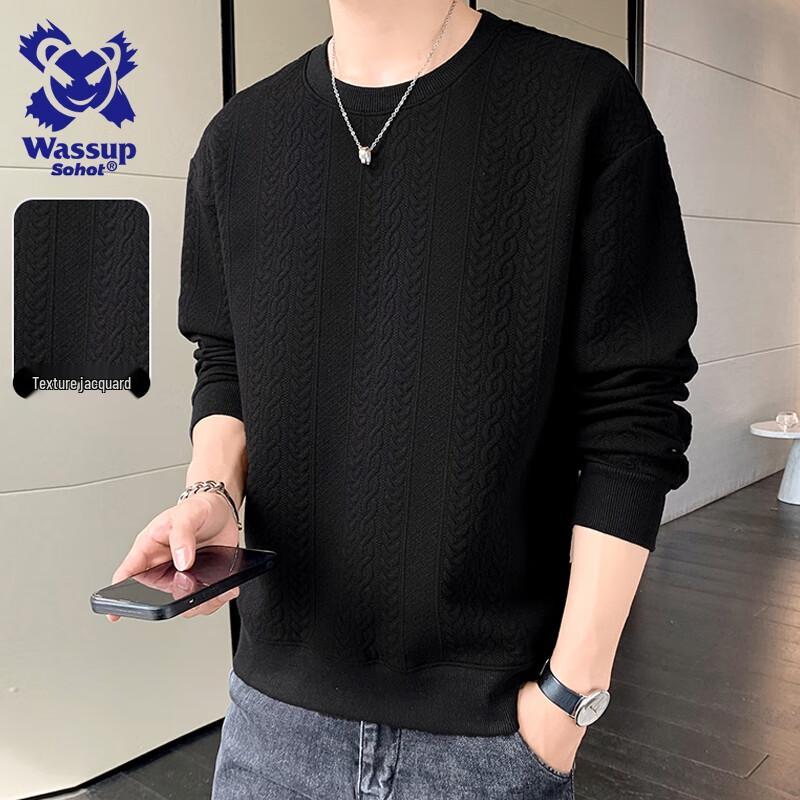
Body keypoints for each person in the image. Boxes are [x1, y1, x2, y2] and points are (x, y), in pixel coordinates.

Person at [108, 1, 699, 797]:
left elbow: (634, 410)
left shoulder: (583, 106)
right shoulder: (236, 140)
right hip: (271, 719)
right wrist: (211, 490)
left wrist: (570, 696)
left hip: (491, 731)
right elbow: (227, 359)